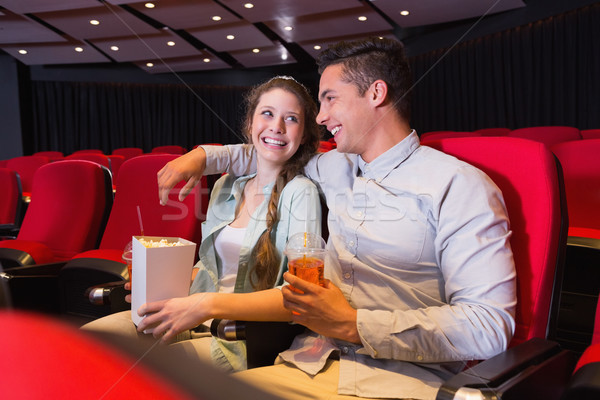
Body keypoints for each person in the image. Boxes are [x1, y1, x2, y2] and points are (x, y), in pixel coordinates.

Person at [156, 37, 517, 400]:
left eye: (330, 98)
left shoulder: (459, 186)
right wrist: (204, 156)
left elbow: (489, 326)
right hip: (307, 358)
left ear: (376, 93)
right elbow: (270, 151)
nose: (320, 117)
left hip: (397, 377)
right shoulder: (334, 166)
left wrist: (355, 325)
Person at [82, 76, 323, 372]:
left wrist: (205, 306)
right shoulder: (225, 185)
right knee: (89, 344)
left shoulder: (301, 192)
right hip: (192, 313)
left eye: (292, 118)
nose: (277, 127)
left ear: (304, 134)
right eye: (268, 113)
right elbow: (209, 268)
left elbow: (299, 296)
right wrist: (158, 284)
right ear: (250, 124)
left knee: (139, 371)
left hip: (237, 338)